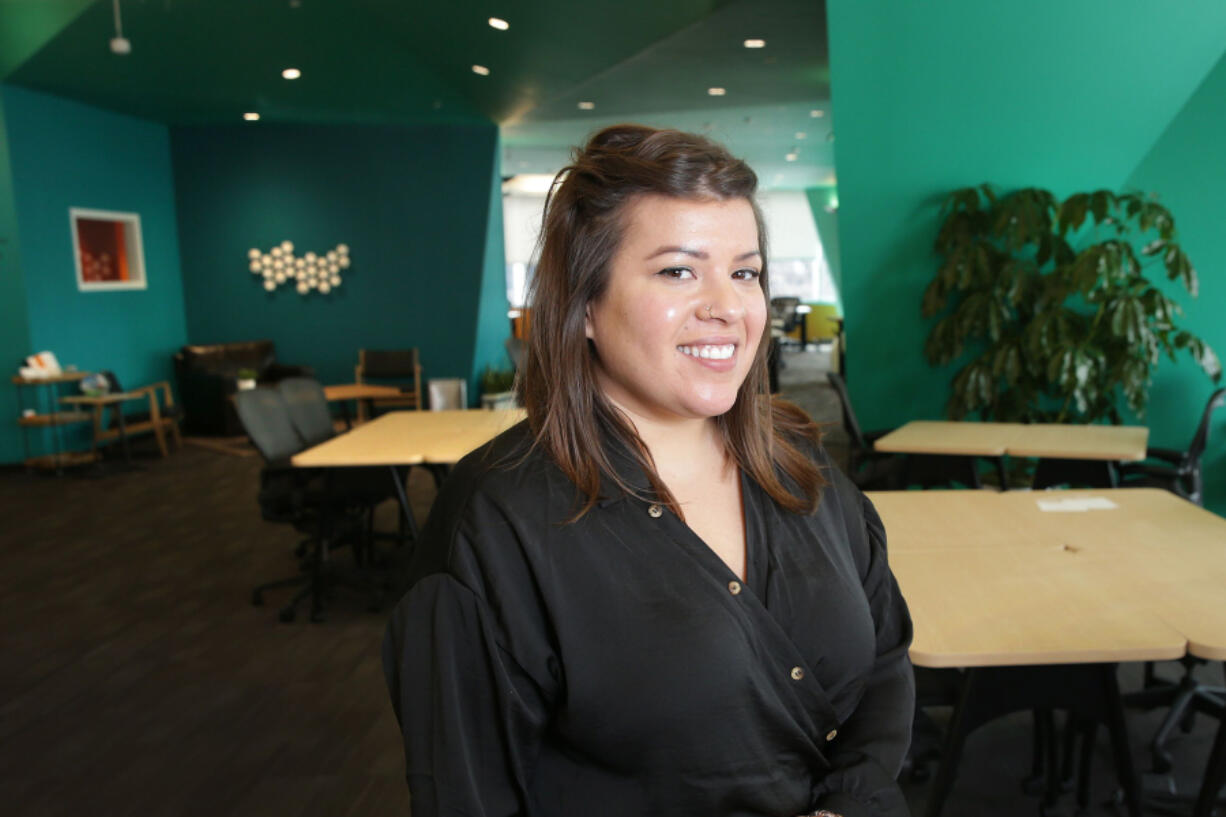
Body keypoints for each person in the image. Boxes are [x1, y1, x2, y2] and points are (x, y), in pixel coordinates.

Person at [383, 124, 914, 817]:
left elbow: (884, 660)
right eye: (678, 270)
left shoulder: (797, 459)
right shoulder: (495, 520)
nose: (727, 306)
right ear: (583, 307)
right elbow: (467, 795)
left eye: (744, 271)